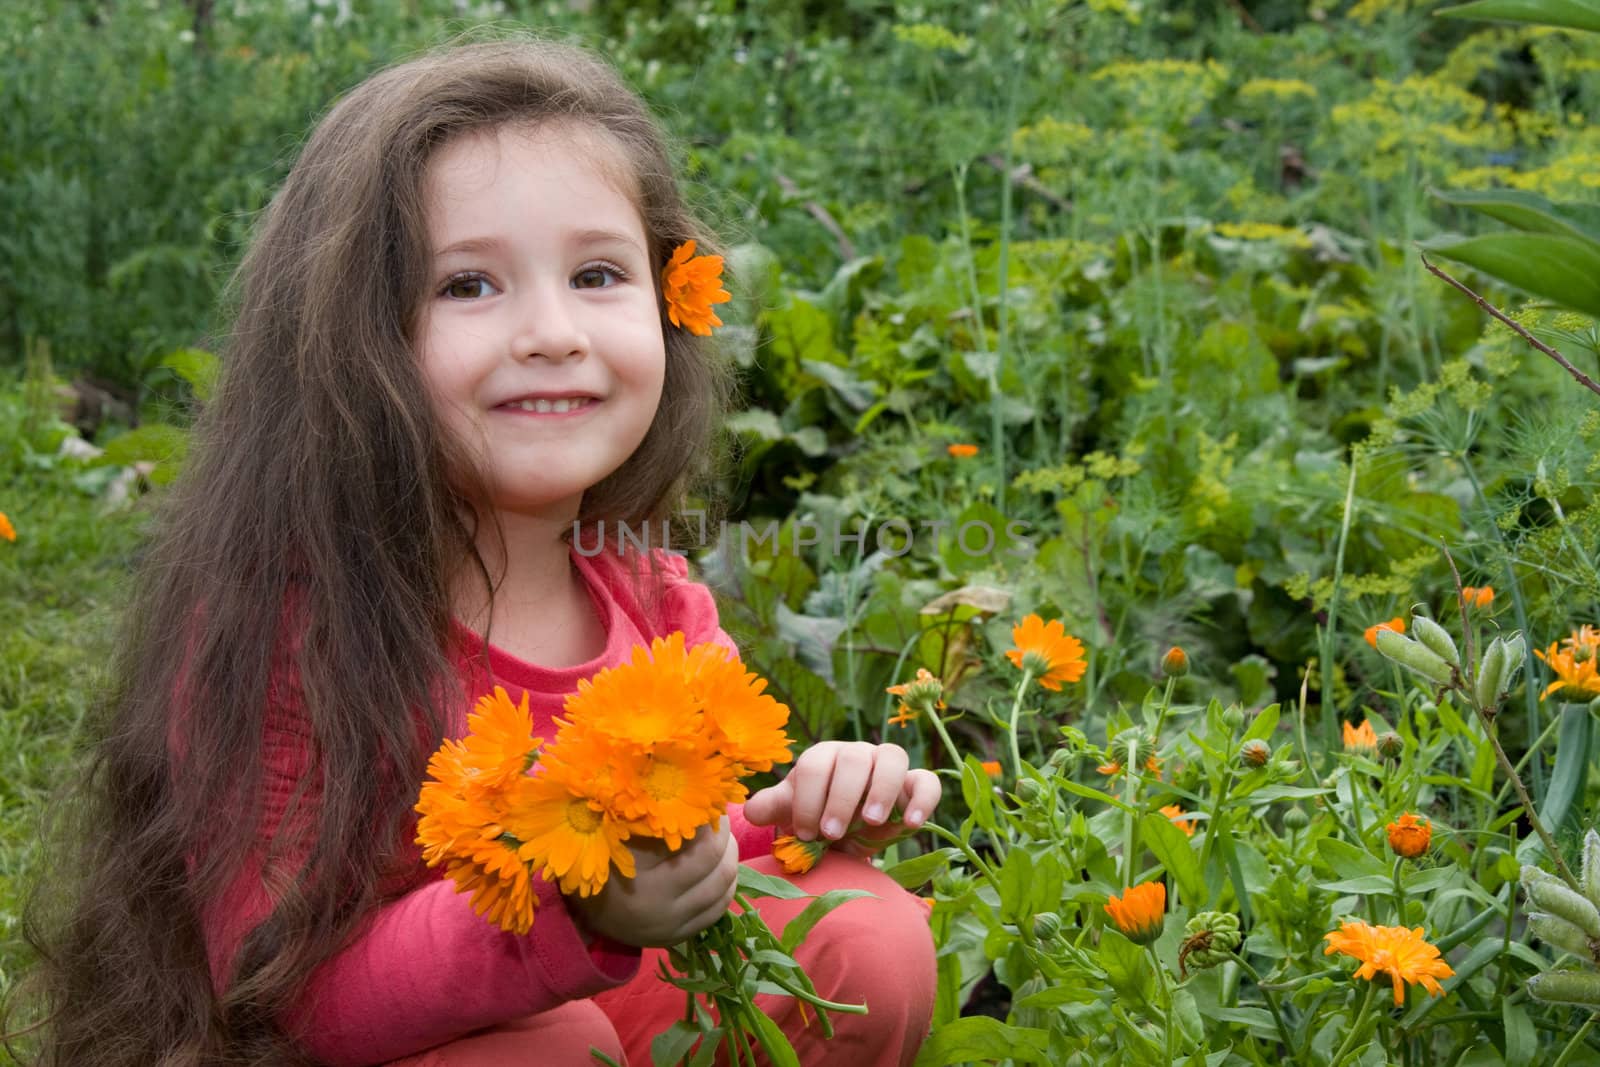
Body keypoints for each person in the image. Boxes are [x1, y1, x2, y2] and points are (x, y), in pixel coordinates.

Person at [10, 37, 938, 1067]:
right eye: (468, 286)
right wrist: (580, 907)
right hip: (358, 1037)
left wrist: (811, 806)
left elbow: (695, 848)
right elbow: (284, 987)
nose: (552, 331)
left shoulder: (653, 596)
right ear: (349, 339)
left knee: (865, 933)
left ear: (671, 302)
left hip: (603, 1003)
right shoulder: (290, 630)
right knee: (543, 1046)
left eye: (596, 273)